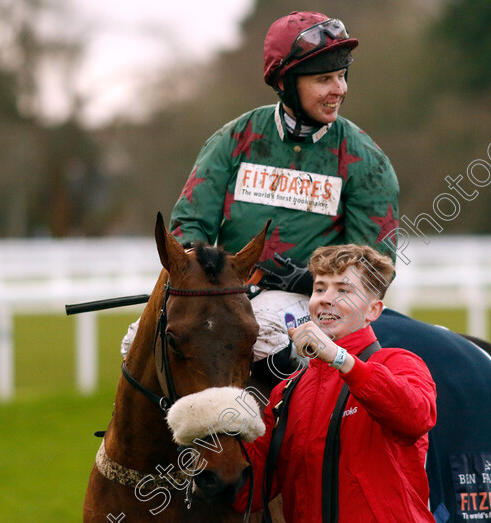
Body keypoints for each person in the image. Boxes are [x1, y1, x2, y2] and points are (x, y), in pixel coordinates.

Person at [122, 11, 400, 369]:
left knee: (260, 337)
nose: (339, 89)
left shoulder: (367, 161)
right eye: (324, 79)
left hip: (314, 306)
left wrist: (306, 279)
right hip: (226, 293)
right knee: (137, 343)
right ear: (285, 82)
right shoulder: (234, 139)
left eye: (342, 76)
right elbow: (190, 228)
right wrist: (206, 277)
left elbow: (374, 269)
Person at [235, 244, 437, 522]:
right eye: (319, 289)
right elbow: (249, 494)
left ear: (373, 310)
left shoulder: (399, 362)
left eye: (343, 290)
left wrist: (341, 359)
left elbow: (416, 416)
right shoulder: (286, 392)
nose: (325, 299)